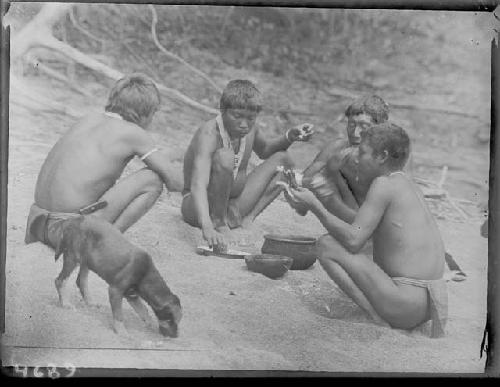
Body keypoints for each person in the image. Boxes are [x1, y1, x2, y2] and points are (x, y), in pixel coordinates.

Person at [289, 123, 448, 337]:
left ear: (382, 156)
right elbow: (361, 226)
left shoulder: (383, 184)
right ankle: (384, 311)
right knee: (356, 248)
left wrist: (315, 206)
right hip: (431, 304)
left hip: (406, 305)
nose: (356, 157)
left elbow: (353, 240)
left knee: (326, 245)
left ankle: (375, 318)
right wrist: (324, 198)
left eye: (362, 152)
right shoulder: (406, 184)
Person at [25, 73, 180, 249]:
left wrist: (168, 155)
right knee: (152, 179)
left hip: (36, 225)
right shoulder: (133, 133)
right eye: (154, 113)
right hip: (66, 232)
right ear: (146, 111)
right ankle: (105, 245)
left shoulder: (88, 119)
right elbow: (175, 182)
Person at [181, 79, 313, 248]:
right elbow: (198, 185)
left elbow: (265, 150)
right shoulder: (209, 134)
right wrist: (207, 227)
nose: (244, 124)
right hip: (199, 207)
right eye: (237, 116)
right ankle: (219, 223)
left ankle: (247, 218)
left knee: (283, 159)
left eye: (251, 118)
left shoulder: (250, 129)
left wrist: (289, 137)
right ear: (222, 110)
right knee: (225, 156)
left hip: (233, 204)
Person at [288, 95, 390, 223]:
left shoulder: (388, 156)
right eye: (352, 125)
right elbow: (304, 180)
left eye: (364, 126)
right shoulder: (337, 147)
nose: (355, 133)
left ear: (379, 128)